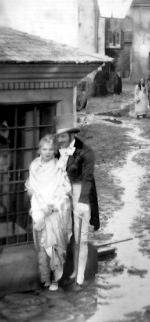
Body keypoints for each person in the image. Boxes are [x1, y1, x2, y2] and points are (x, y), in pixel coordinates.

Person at [25, 134, 72, 291]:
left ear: (55, 150)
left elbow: (63, 190)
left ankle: (56, 279)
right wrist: (40, 211)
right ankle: (45, 277)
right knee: (42, 247)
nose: (47, 152)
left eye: (51, 149)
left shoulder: (58, 167)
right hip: (39, 210)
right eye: (44, 149)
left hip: (54, 211)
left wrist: (50, 208)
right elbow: (33, 190)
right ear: (39, 150)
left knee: (55, 246)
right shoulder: (34, 166)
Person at [57, 114, 100, 288]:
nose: (59, 140)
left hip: (79, 192)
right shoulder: (55, 150)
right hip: (60, 194)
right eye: (57, 136)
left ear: (72, 135)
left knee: (80, 237)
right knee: (63, 235)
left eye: (62, 136)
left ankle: (79, 275)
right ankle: (64, 271)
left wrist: (82, 201)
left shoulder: (85, 151)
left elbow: (88, 178)